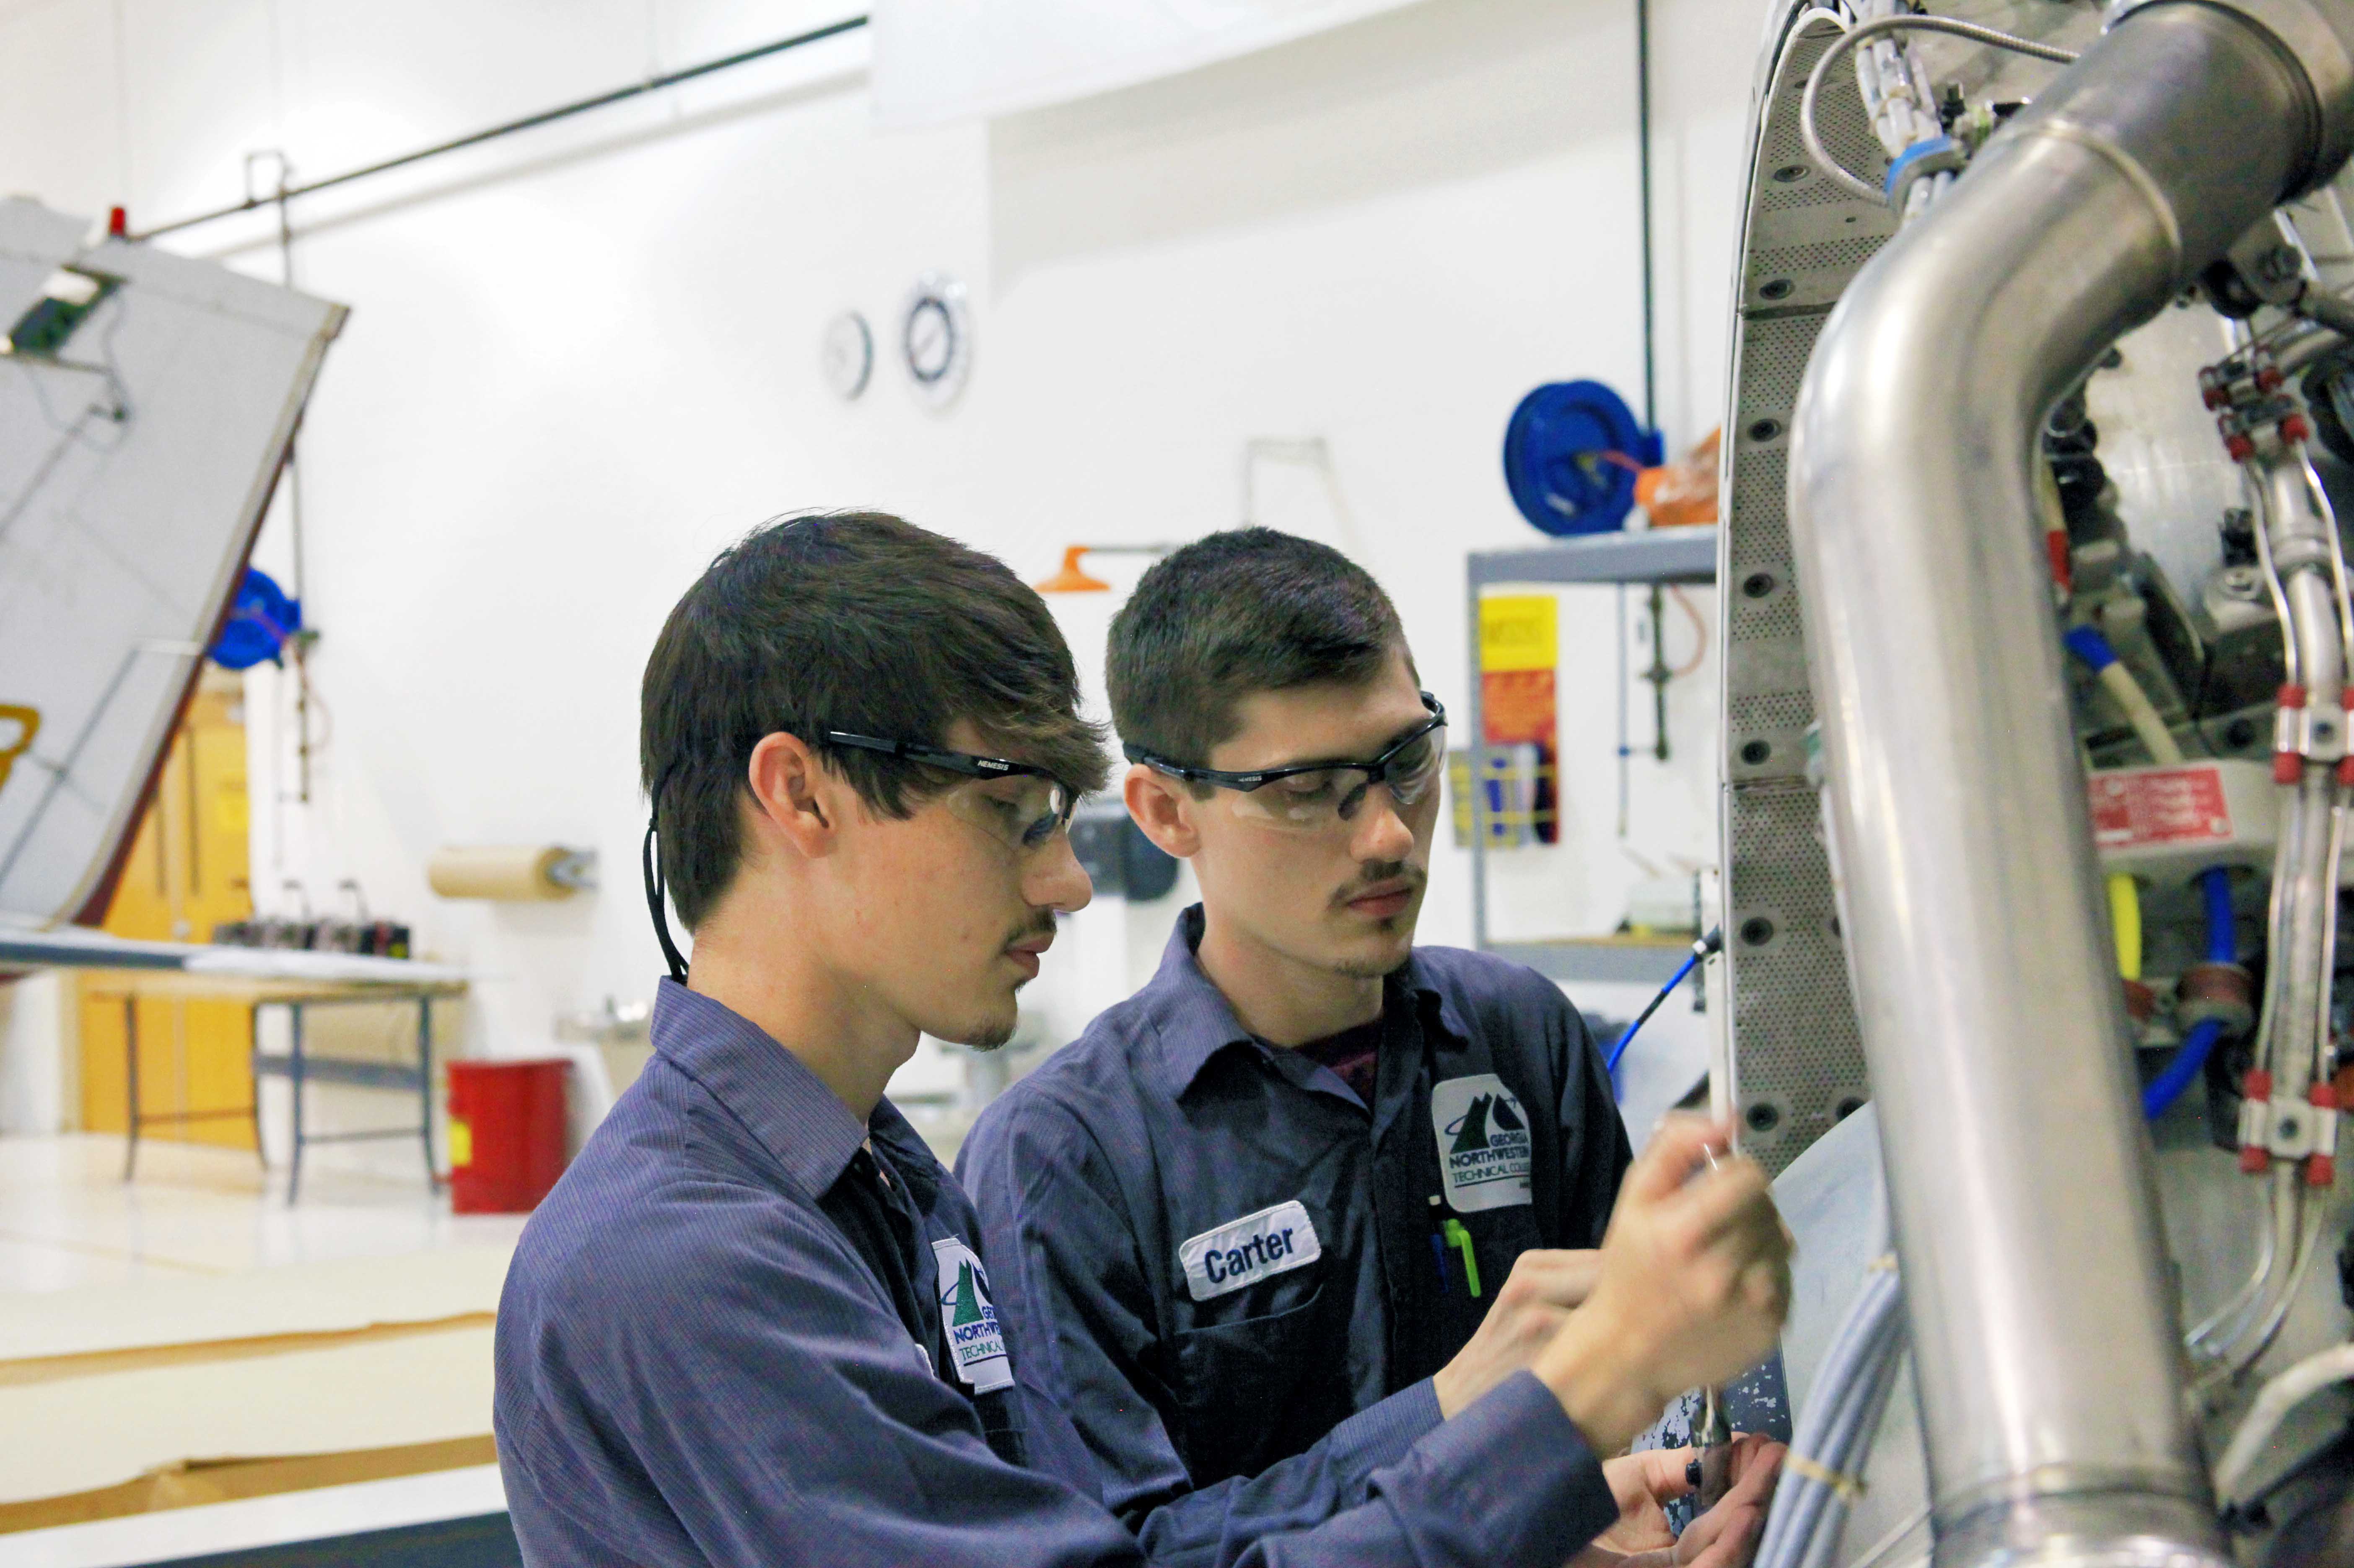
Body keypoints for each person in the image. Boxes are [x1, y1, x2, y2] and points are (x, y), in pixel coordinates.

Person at [492, 512, 1792, 1568]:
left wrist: (1549, 1511)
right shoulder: (686, 1264)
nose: (1066, 882)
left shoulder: (889, 1192)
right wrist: (1568, 1401)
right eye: (1013, 813)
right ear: (800, 795)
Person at [959, 528, 1780, 1564]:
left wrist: (1670, 1502)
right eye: (1309, 791)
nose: (1389, 833)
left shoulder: (1520, 1040)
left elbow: (1638, 1427)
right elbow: (1123, 1553)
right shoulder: (1064, 1166)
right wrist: (1449, 1415)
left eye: (1406, 761)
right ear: (1168, 812)